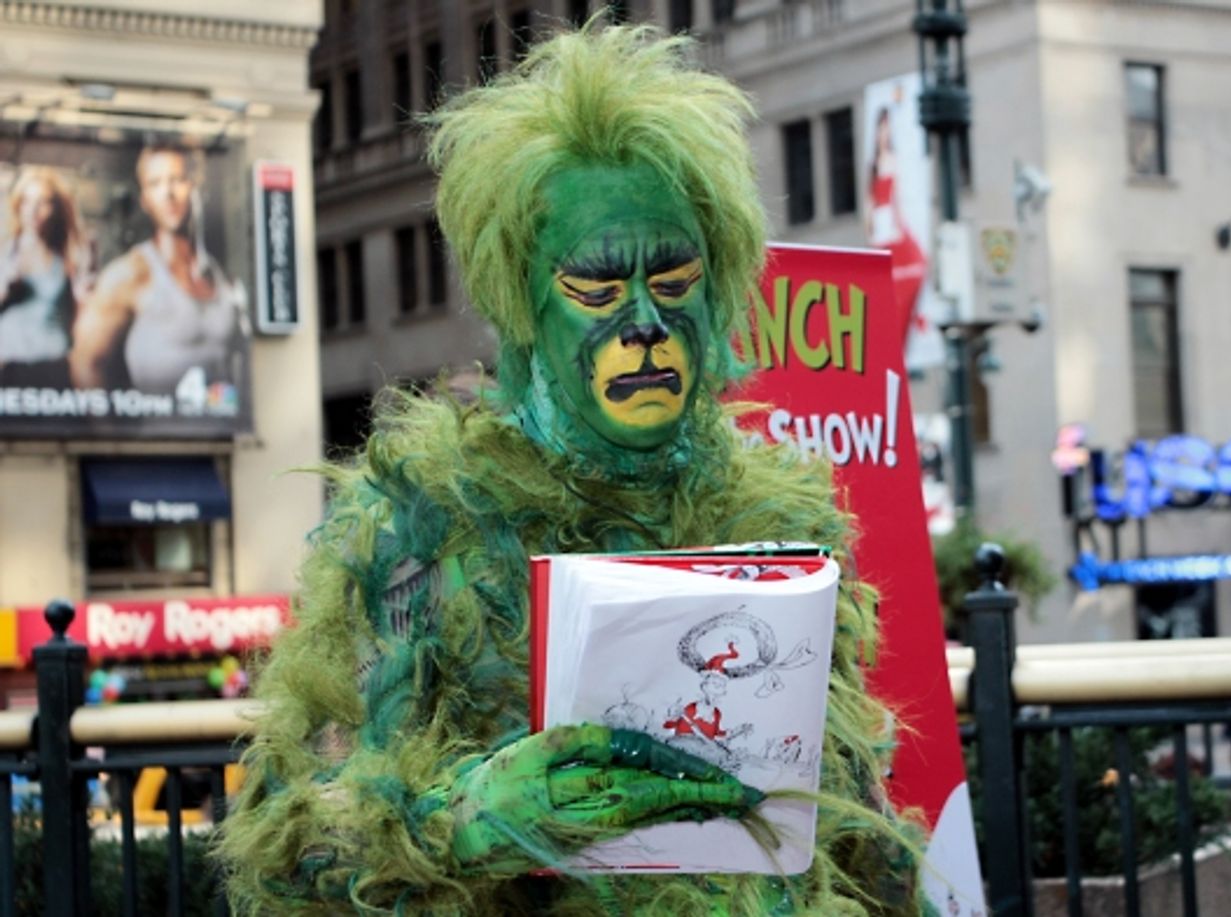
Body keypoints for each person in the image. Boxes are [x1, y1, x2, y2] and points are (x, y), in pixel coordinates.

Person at [218, 23, 931, 915]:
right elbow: (287, 842)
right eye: (596, 290)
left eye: (673, 283)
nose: (643, 325)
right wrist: (465, 819)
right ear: (524, 305)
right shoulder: (421, 527)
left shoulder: (786, 522)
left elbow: (857, 823)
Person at [68, 144, 246, 395]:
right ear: (144, 199)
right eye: (155, 184)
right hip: (156, 430)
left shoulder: (220, 278)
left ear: (198, 187)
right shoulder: (128, 274)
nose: (168, 194)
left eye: (177, 180)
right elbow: (85, 363)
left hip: (221, 429)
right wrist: (111, 432)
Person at [0, 166, 93, 387]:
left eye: (43, 202)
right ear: (18, 205)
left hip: (53, 367)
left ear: (56, 209)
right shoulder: (5, 252)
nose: (33, 211)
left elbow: (83, 321)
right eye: (27, 201)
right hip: (7, 366)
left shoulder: (71, 256)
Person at [866, 107, 927, 333]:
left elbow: (896, 197)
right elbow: (870, 201)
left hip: (892, 222)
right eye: (881, 128)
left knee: (917, 263)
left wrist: (899, 224)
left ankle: (912, 318)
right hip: (880, 225)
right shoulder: (873, 164)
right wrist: (871, 228)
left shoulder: (892, 159)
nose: (884, 133)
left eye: (886, 129)